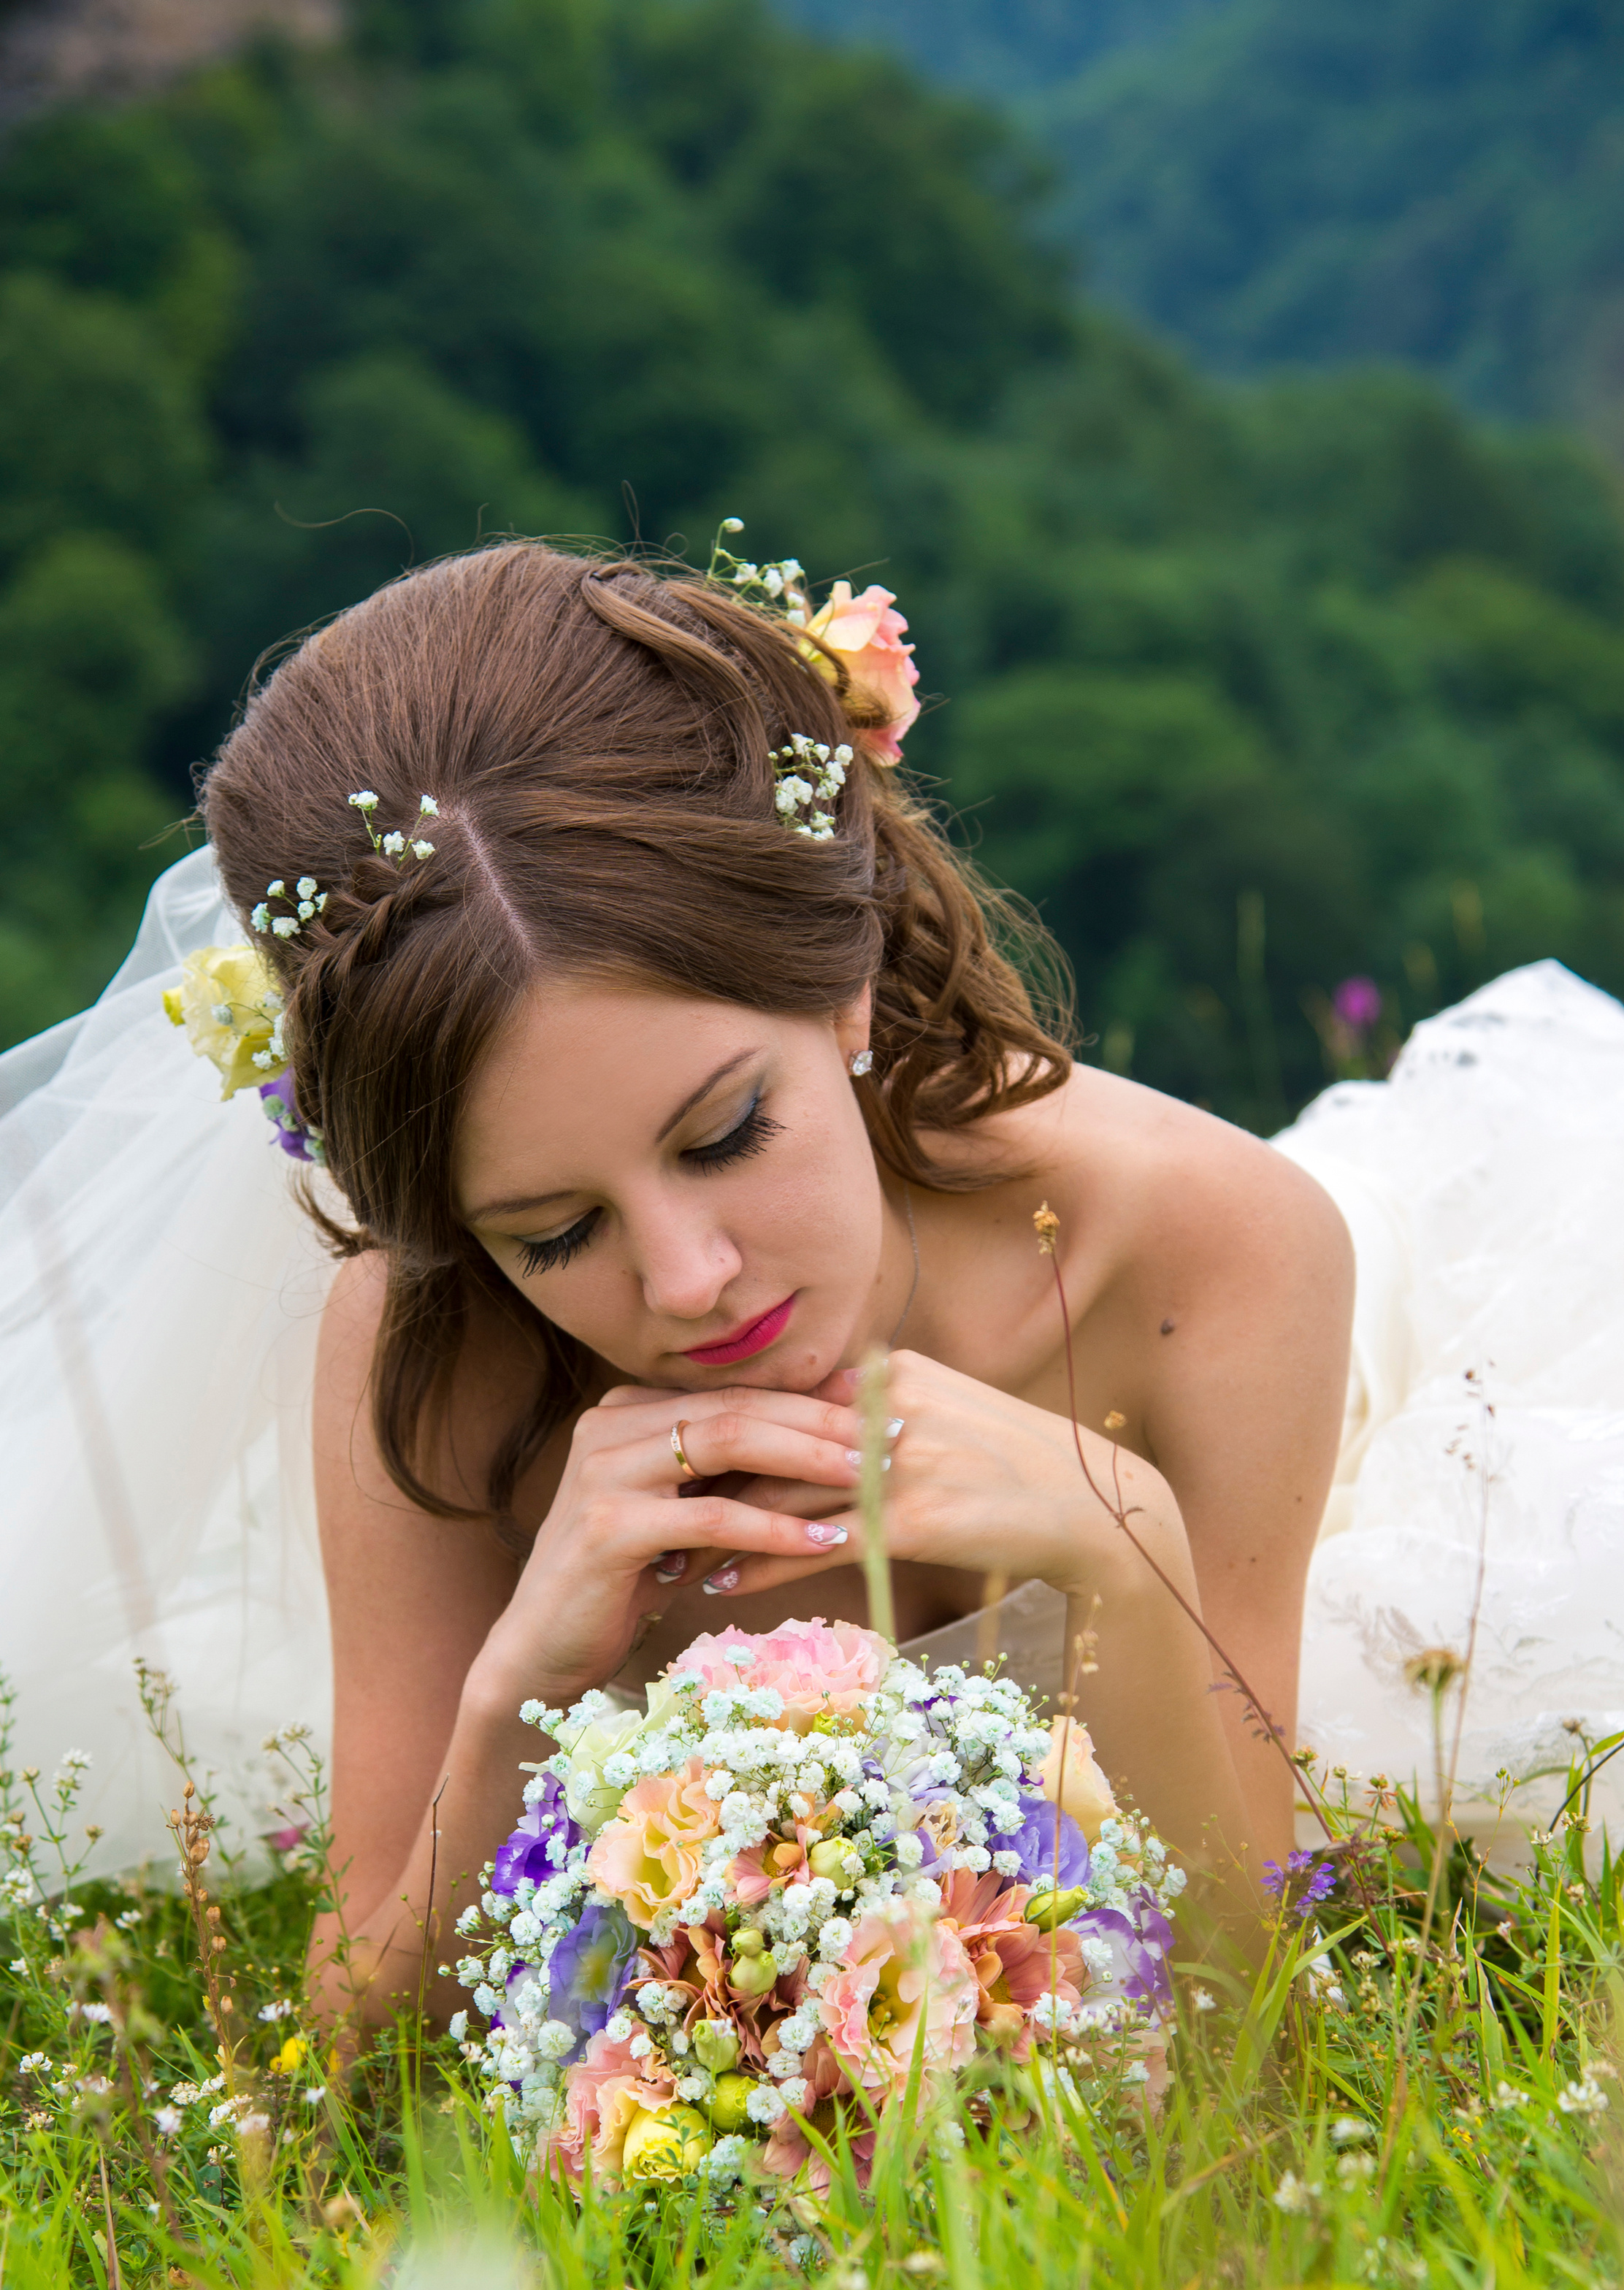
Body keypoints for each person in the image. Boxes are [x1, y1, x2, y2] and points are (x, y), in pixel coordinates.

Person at [2, 542, 1349, 2010]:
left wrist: (1125, 1561)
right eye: (552, 1233)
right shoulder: (432, 1346)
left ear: (839, 975)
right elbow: (359, 2077)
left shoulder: (1208, 1254)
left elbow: (1253, 2026)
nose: (690, 1280)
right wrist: (518, 1693)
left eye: (725, 1131)